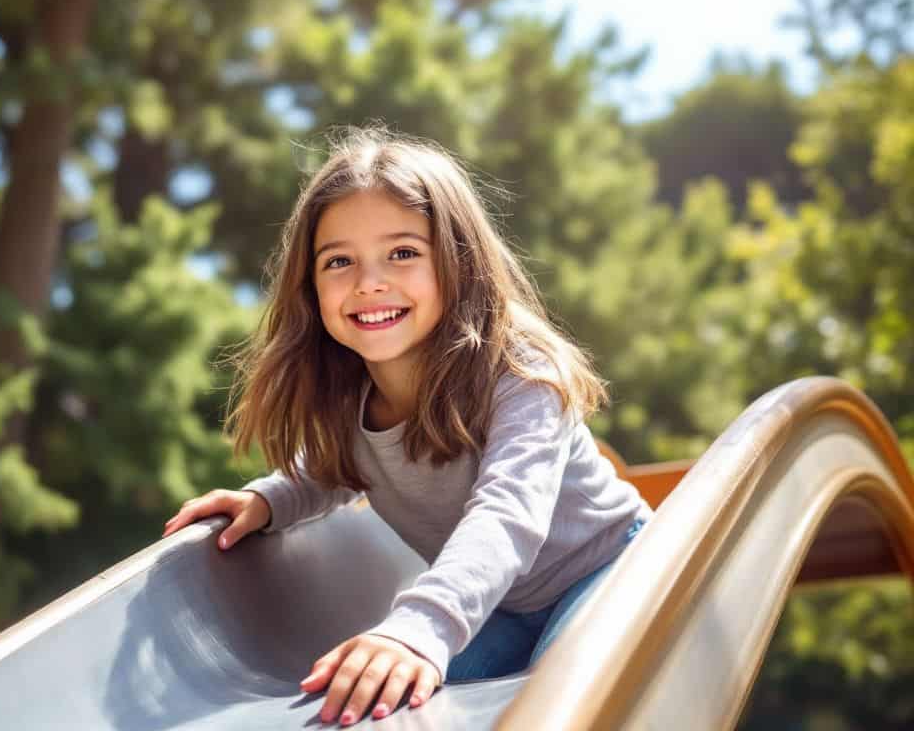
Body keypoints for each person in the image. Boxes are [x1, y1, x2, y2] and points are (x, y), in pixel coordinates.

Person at [160, 125, 652, 727]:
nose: (369, 282)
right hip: (502, 604)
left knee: (561, 704)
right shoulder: (348, 393)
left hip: (608, 569)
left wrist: (420, 625)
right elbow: (335, 467)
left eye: (403, 253)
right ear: (310, 290)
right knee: (380, 710)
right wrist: (266, 499)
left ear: (458, 262)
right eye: (339, 261)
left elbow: (508, 513)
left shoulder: (520, 372)